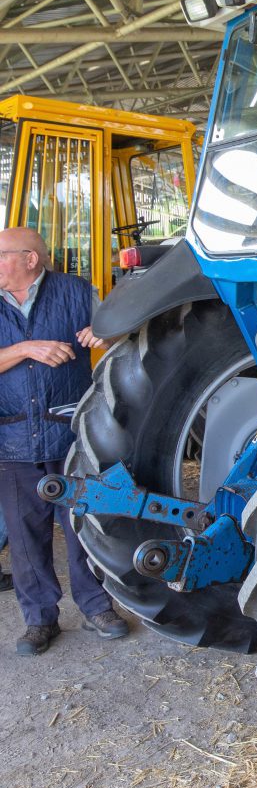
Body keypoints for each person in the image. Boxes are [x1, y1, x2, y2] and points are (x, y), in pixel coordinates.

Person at [0, 227, 129, 655]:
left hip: (71, 433)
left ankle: (97, 608)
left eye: (1, 254)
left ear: (30, 259)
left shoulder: (76, 292)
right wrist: (26, 348)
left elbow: (119, 337)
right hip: (13, 437)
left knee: (82, 526)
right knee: (25, 536)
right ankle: (39, 620)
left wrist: (105, 337)